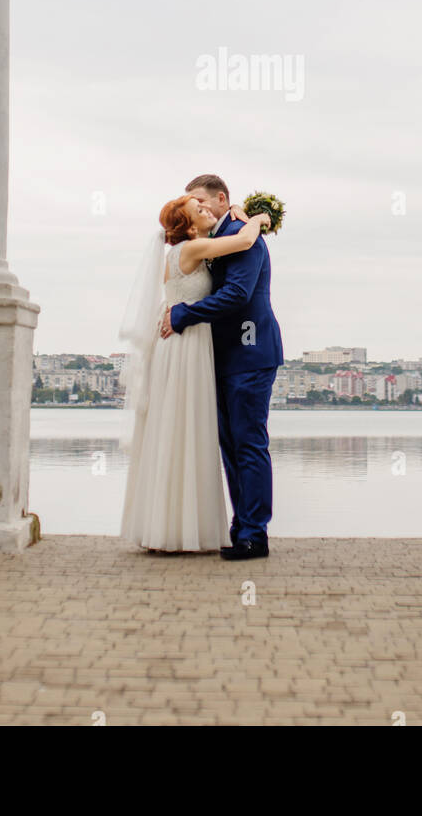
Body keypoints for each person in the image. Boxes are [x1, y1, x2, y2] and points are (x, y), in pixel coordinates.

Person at [119, 193, 269, 553]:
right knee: (183, 431)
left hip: (187, 347)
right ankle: (186, 528)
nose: (205, 210)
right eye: (196, 209)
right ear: (186, 226)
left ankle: (170, 527)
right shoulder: (194, 249)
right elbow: (245, 240)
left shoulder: (188, 250)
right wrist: (257, 218)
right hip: (185, 348)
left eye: (204, 204)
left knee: (177, 432)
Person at [160, 174, 284, 561]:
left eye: (199, 200)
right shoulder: (215, 239)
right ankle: (240, 527)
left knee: (248, 442)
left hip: (250, 352)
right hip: (223, 356)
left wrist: (184, 313)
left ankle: (254, 535)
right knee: (231, 445)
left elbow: (237, 294)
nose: (196, 207)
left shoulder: (244, 236)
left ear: (220, 199)